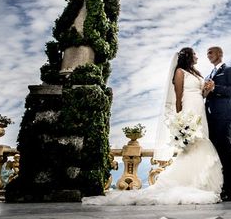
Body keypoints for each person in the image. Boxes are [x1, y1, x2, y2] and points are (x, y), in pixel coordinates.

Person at [82, 47, 223, 205]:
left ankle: (200, 181)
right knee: (193, 145)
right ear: (188, 56)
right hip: (188, 109)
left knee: (201, 141)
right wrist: (181, 119)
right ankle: (190, 182)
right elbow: (177, 97)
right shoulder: (179, 72)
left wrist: (207, 90)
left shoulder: (197, 73)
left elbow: (201, 94)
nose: (198, 56)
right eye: (195, 54)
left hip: (200, 109)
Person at [203, 46, 231, 202]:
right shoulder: (208, 75)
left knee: (225, 153)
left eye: (211, 52)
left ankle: (228, 190)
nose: (208, 55)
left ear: (220, 54)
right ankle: (217, 187)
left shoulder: (230, 69)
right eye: (207, 53)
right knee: (214, 153)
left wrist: (215, 87)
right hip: (209, 118)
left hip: (224, 116)